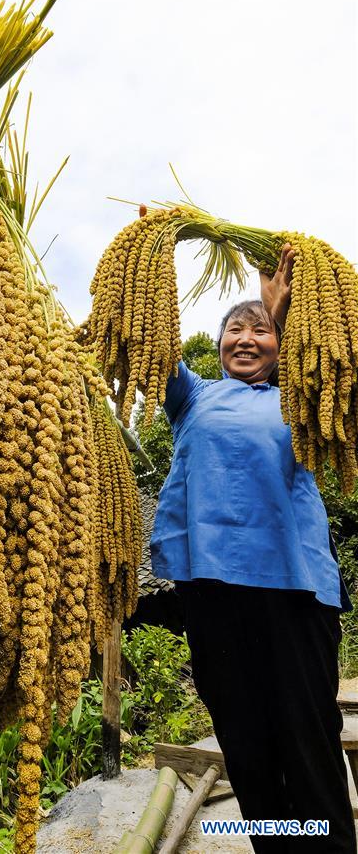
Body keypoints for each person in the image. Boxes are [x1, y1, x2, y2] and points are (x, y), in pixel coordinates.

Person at [150, 244, 357, 852]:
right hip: (212, 588)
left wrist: (283, 308)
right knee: (244, 737)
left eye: (259, 330)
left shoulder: (297, 397)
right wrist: (156, 254)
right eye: (233, 329)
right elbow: (154, 346)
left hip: (296, 589)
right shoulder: (193, 399)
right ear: (216, 345)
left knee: (308, 735)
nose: (246, 338)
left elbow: (330, 369)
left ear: (278, 345)